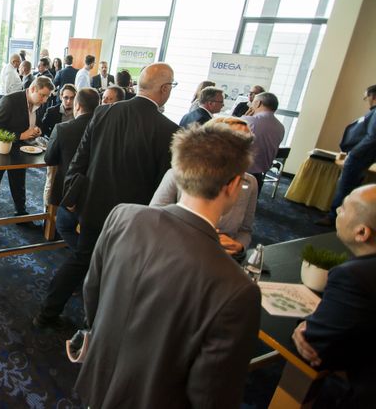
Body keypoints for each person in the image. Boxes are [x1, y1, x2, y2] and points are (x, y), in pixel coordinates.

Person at [75, 123, 260, 408]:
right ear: (234, 184)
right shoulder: (237, 290)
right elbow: (211, 395)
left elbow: (93, 293)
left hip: (99, 376)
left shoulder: (123, 216)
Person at [34, 63, 179, 328]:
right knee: (120, 272)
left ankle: (47, 313)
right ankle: (100, 327)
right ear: (165, 89)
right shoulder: (169, 130)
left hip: (93, 205)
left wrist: (73, 197)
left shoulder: (103, 113)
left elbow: (79, 161)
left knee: (81, 258)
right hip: (134, 216)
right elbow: (164, 185)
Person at [292, 185, 376, 407]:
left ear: (362, 232)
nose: (337, 210)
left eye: (344, 208)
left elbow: (315, 347)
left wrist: (305, 327)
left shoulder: (354, 276)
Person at [151, 116, 258, 253]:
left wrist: (239, 246)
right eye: (236, 141)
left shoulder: (250, 183)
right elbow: (155, 215)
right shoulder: (178, 174)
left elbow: (246, 230)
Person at [0, 76, 54, 245]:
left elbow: (32, 122)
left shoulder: (38, 103)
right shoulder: (10, 100)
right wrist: (20, 135)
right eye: (42, 95)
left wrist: (36, 129)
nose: (45, 100)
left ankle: (21, 215)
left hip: (21, 150)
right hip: (0, 149)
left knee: (19, 183)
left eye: (47, 96)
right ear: (32, 89)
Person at [45, 88, 100, 249]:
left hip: (71, 190)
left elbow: (49, 159)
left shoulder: (63, 128)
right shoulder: (107, 129)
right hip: (98, 189)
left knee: (63, 225)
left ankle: (87, 257)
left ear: (77, 106)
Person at [316, 84, 376, 227]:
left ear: (373, 96)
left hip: (359, 158)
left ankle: (333, 217)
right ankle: (341, 215)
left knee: (345, 187)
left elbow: (372, 137)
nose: (365, 99)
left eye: (366, 96)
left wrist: (354, 153)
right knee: (349, 187)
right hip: (361, 157)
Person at [242, 91, 284, 193]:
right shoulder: (280, 126)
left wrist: (243, 117)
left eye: (253, 102)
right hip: (259, 175)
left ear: (258, 103)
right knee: (250, 205)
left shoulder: (249, 121)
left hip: (241, 173)